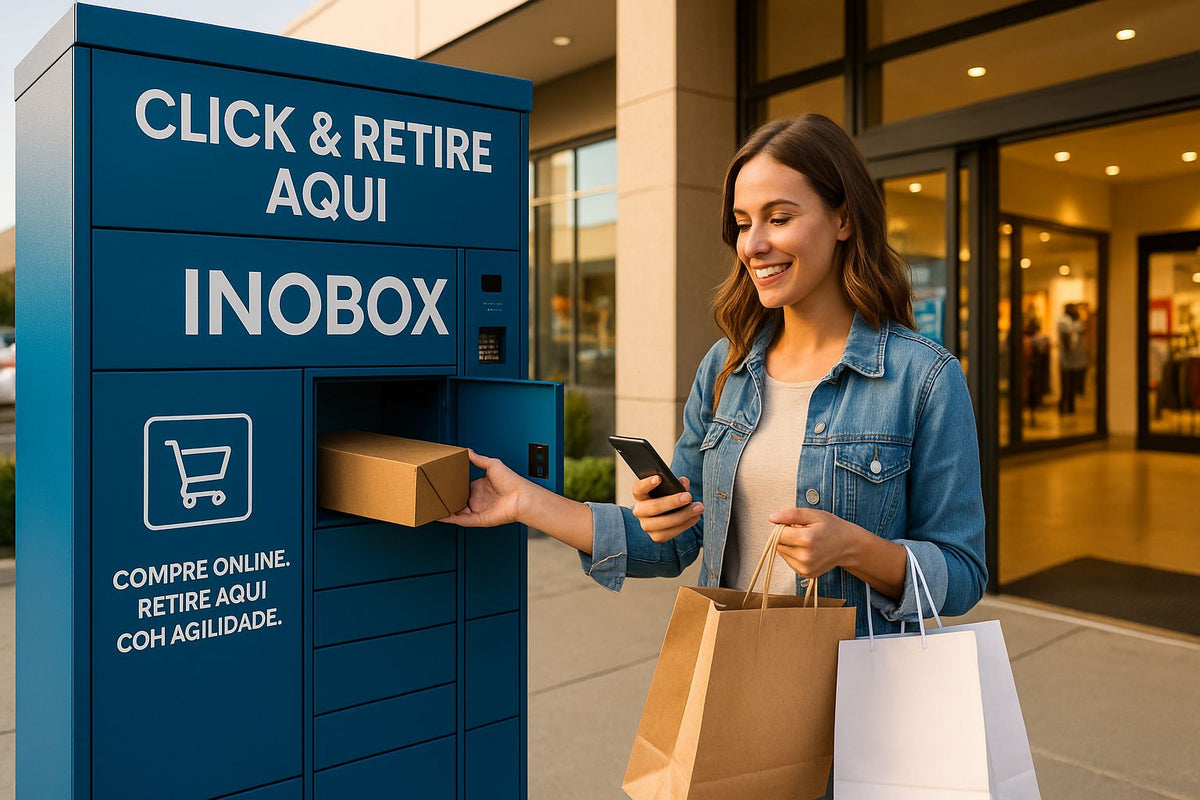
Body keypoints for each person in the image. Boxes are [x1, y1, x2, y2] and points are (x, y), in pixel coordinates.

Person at [444, 113, 986, 638]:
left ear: (843, 219)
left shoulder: (924, 378)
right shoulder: (727, 367)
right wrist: (525, 502)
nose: (752, 245)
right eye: (744, 223)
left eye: (779, 218)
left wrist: (857, 550)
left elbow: (963, 575)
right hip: (733, 684)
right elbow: (673, 542)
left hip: (859, 696)